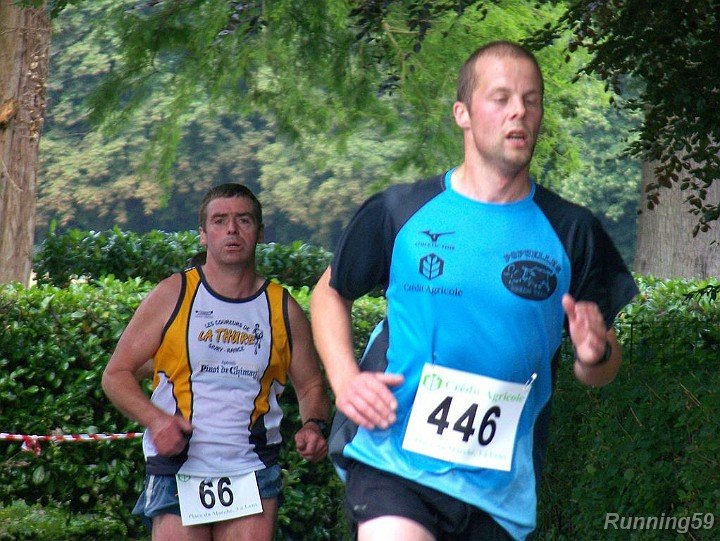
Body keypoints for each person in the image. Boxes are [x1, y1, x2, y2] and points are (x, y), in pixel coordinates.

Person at [310, 40, 638, 541]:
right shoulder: (402, 211)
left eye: (531, 100)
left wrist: (595, 355)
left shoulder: (573, 232)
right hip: (394, 459)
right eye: (501, 98)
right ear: (462, 114)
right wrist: (345, 379)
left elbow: (601, 369)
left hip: (499, 490)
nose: (519, 112)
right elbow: (330, 293)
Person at [102, 183, 330, 541]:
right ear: (203, 234)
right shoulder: (173, 294)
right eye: (220, 221)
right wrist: (157, 420)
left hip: (252, 470)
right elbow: (116, 374)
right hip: (178, 467)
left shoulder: (283, 308)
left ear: (260, 233)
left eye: (244, 220)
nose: (232, 230)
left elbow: (311, 385)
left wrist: (313, 425)